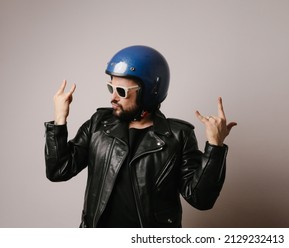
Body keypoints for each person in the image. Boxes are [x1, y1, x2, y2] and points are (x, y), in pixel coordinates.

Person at [44, 45, 237, 228]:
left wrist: (215, 147)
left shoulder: (178, 136)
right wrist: (60, 120)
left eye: (122, 91)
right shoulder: (98, 124)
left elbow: (200, 199)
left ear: (150, 92)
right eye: (111, 88)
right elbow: (59, 170)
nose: (113, 97)